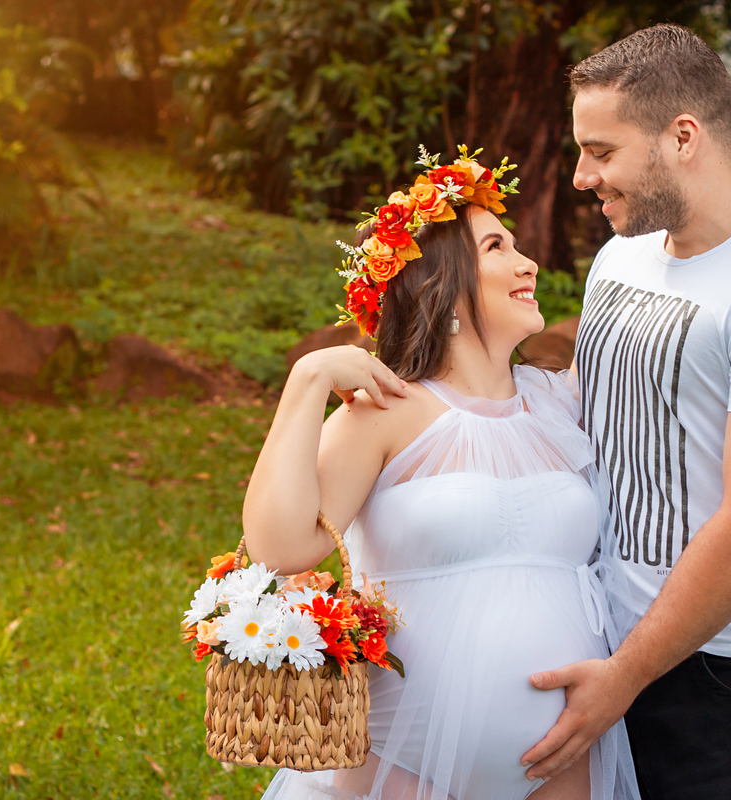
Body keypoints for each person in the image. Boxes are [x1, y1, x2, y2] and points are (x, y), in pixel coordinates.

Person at [519, 25, 731, 800]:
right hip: (619, 648)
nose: (580, 176)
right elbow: (589, 412)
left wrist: (624, 676)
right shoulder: (623, 256)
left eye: (601, 151)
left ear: (682, 137)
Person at [242, 150, 641, 799]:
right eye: (497, 247)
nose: (528, 263)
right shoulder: (386, 411)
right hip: (403, 758)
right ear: (443, 282)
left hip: (564, 760)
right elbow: (280, 547)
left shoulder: (565, 402)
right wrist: (308, 379)